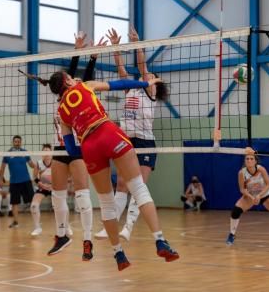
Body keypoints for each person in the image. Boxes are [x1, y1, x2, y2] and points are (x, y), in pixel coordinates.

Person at [36, 69, 179, 271]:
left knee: (106, 203)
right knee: (138, 188)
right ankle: (159, 240)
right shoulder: (86, 85)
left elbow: (69, 147)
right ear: (68, 80)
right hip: (108, 131)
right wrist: (146, 85)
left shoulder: (61, 113)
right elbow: (120, 85)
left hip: (89, 145)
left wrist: (88, 149)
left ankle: (118, 253)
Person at [95, 27, 168, 242]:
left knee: (138, 187)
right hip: (126, 140)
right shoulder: (131, 90)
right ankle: (112, 226)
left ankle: (128, 227)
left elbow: (143, 67)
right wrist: (116, 48)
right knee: (121, 185)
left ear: (155, 82)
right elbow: (121, 70)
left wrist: (137, 44)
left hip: (145, 142)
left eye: (151, 77)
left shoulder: (150, 92)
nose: (146, 76)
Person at [47, 32, 106, 261]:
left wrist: (90, 58)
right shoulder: (63, 98)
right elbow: (68, 75)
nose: (74, 80)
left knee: (82, 196)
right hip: (59, 148)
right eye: (70, 79)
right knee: (57, 196)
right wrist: (77, 51)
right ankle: (62, 235)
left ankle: (87, 240)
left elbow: (82, 77)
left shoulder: (80, 93)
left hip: (80, 148)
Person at [0, 135, 36, 228]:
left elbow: (31, 164)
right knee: (14, 202)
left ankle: (36, 221)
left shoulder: (24, 152)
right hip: (14, 182)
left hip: (26, 181)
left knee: (33, 201)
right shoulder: (8, 154)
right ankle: (16, 222)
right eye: (15, 141)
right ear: (13, 142)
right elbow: (3, 167)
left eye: (19, 141)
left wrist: (39, 166)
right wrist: (0, 179)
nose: (17, 143)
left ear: (21, 142)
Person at [29, 144, 53, 237]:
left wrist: (54, 185)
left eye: (48, 151)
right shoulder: (38, 163)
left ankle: (66, 226)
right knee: (34, 206)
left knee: (61, 206)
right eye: (44, 151)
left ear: (51, 153)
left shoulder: (56, 162)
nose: (46, 153)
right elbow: (35, 177)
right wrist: (41, 184)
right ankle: (37, 227)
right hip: (42, 187)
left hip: (54, 187)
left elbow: (61, 176)